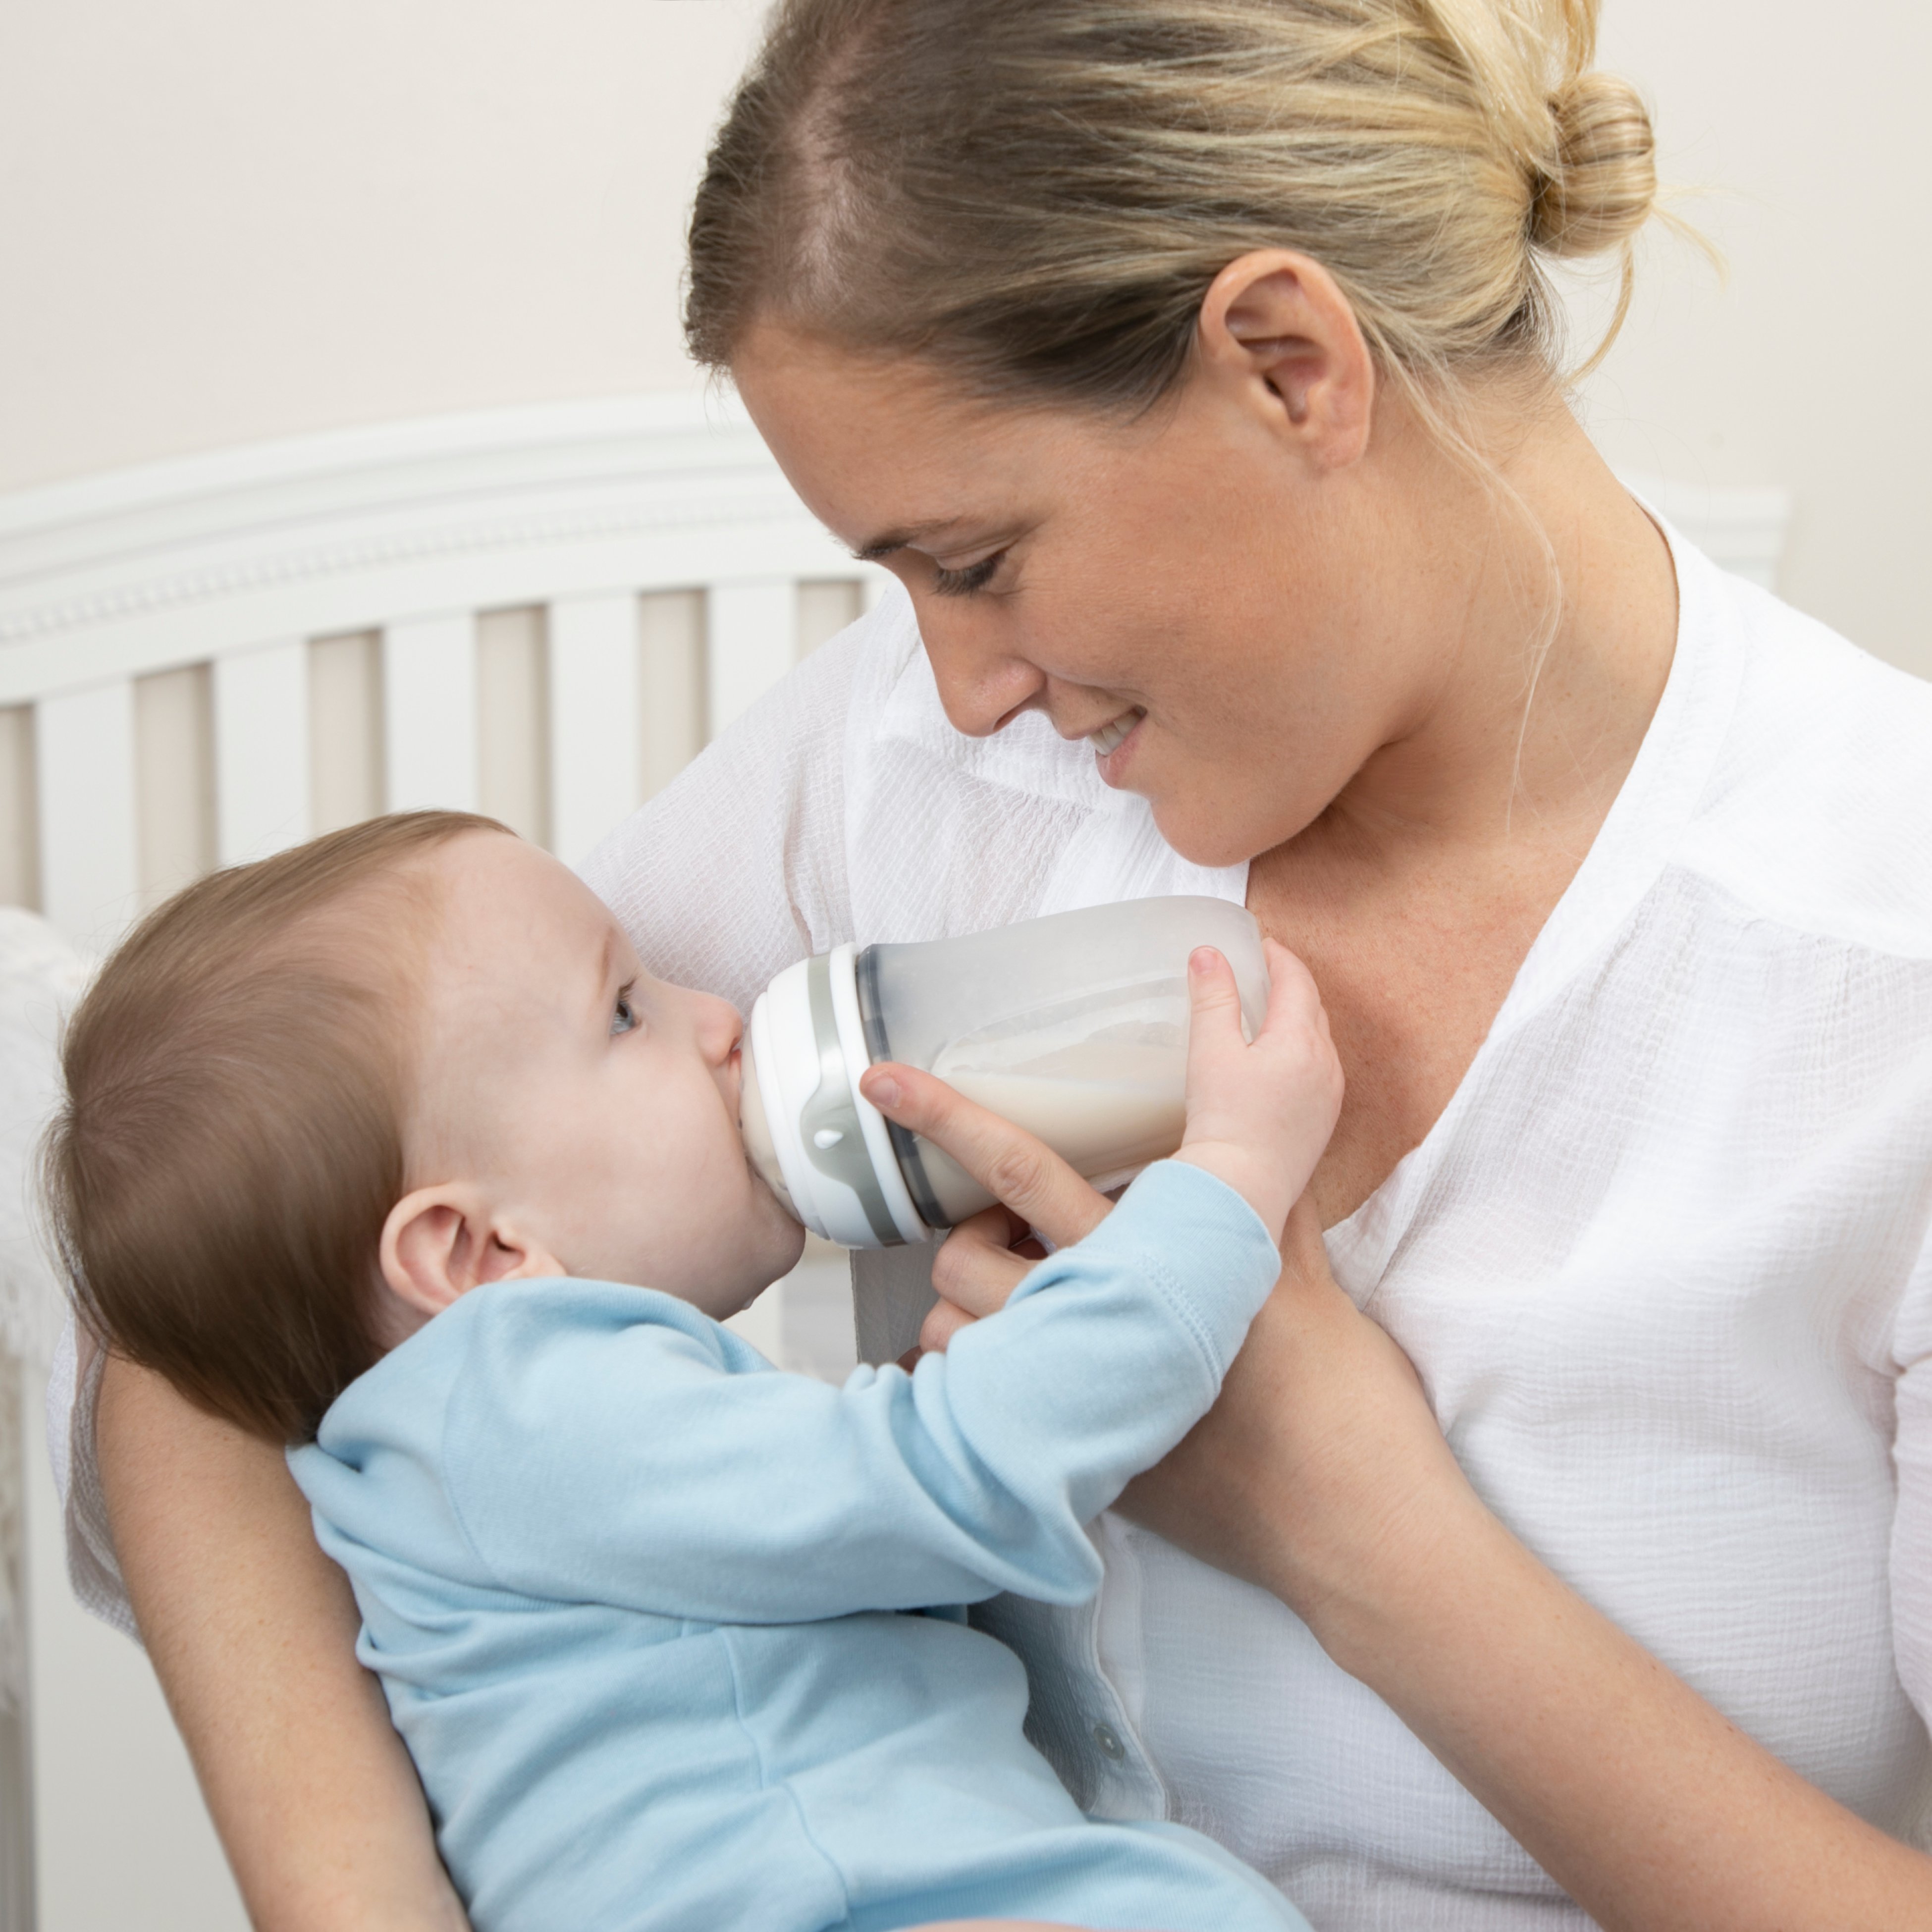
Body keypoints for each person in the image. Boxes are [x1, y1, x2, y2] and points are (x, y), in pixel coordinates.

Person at [53, 0, 1932, 1926]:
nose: (960, 684)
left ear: (1289, 369)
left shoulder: (1878, 972)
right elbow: (240, 1261)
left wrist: (1354, 1525)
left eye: (978, 561)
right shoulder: (923, 774)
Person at [46, 810, 1341, 1932]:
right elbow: (950, 1480)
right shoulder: (515, 1400)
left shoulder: (446, 1458)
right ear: (472, 1248)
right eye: (627, 1009)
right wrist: (1225, 1186)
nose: (719, 1019)